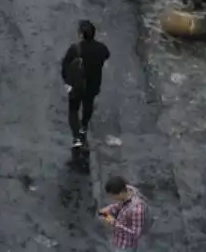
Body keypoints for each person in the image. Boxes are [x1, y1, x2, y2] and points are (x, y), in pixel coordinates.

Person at [61, 19, 112, 149]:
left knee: (73, 110)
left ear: (81, 34)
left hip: (77, 85)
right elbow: (107, 56)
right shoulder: (101, 48)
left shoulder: (75, 49)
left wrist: (67, 82)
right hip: (93, 85)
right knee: (88, 105)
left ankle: (76, 137)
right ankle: (84, 126)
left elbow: (65, 65)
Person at [98, 177, 148, 250]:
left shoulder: (136, 209)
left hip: (126, 246)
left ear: (121, 193)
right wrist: (109, 209)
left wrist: (113, 222)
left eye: (113, 196)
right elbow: (122, 204)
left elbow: (135, 234)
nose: (112, 198)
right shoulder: (128, 191)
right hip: (119, 241)